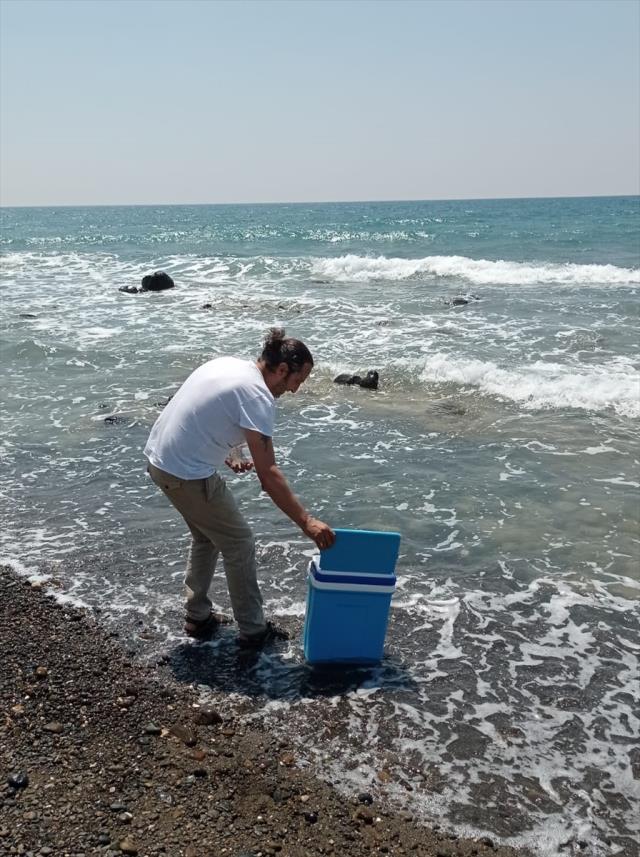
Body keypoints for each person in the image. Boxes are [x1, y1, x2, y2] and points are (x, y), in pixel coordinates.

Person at [144, 328, 335, 648]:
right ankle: (253, 630)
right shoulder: (257, 395)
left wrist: (232, 452)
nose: (295, 391)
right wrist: (307, 521)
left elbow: (207, 411)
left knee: (207, 535)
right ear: (283, 369)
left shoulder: (230, 366)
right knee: (240, 542)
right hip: (185, 473)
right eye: (296, 381)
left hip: (161, 461)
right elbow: (269, 474)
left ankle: (198, 615)